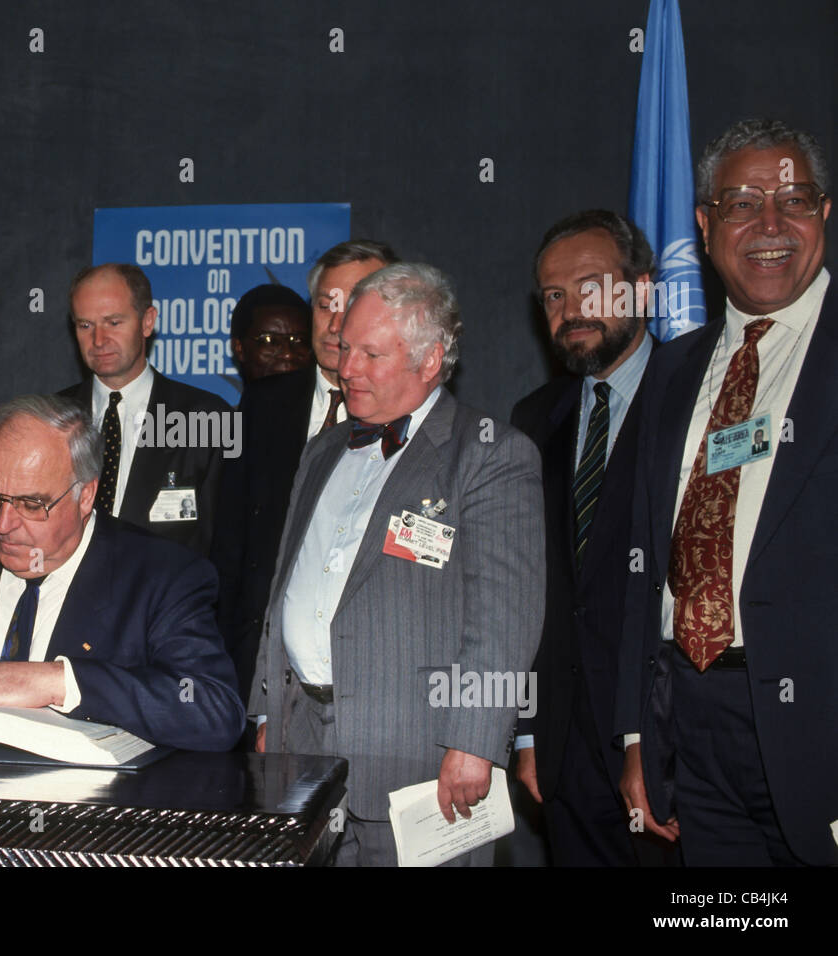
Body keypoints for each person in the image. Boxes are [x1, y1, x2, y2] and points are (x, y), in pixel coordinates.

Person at [251, 262, 544, 865]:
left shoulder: (490, 454)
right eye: (343, 348)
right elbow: (287, 582)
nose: (346, 368)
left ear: (429, 361)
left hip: (421, 759)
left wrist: (477, 743)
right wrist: (266, 709)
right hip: (301, 745)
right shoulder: (322, 450)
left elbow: (506, 617)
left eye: (370, 355)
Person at [617, 118, 837, 865]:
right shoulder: (674, 369)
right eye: (743, 203)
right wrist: (640, 733)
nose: (770, 224)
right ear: (707, 227)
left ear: (825, 214)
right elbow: (642, 565)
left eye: (794, 200)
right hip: (693, 723)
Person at [0, 394, 245, 751]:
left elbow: (214, 710)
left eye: (32, 504)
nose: (3, 524)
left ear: (85, 496)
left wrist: (58, 681)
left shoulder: (160, 576)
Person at [511, 210, 659, 865]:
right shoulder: (534, 419)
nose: (573, 309)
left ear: (642, 289)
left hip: (666, 745)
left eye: (592, 286)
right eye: (554, 295)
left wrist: (647, 738)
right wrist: (526, 734)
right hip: (564, 752)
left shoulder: (698, 395)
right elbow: (525, 587)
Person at [213, 240, 398, 699]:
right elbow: (230, 552)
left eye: (355, 303)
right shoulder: (261, 404)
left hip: (377, 681)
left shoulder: (419, 417)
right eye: (325, 305)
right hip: (258, 678)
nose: (337, 324)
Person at [60, 263, 230, 556]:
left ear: (147, 321)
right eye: (85, 325)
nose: (98, 340)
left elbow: (226, 545)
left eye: (113, 322)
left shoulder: (208, 418)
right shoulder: (50, 419)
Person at [228, 282, 313, 382]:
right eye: (269, 340)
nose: (288, 354)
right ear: (239, 349)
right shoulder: (210, 398)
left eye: (297, 340)